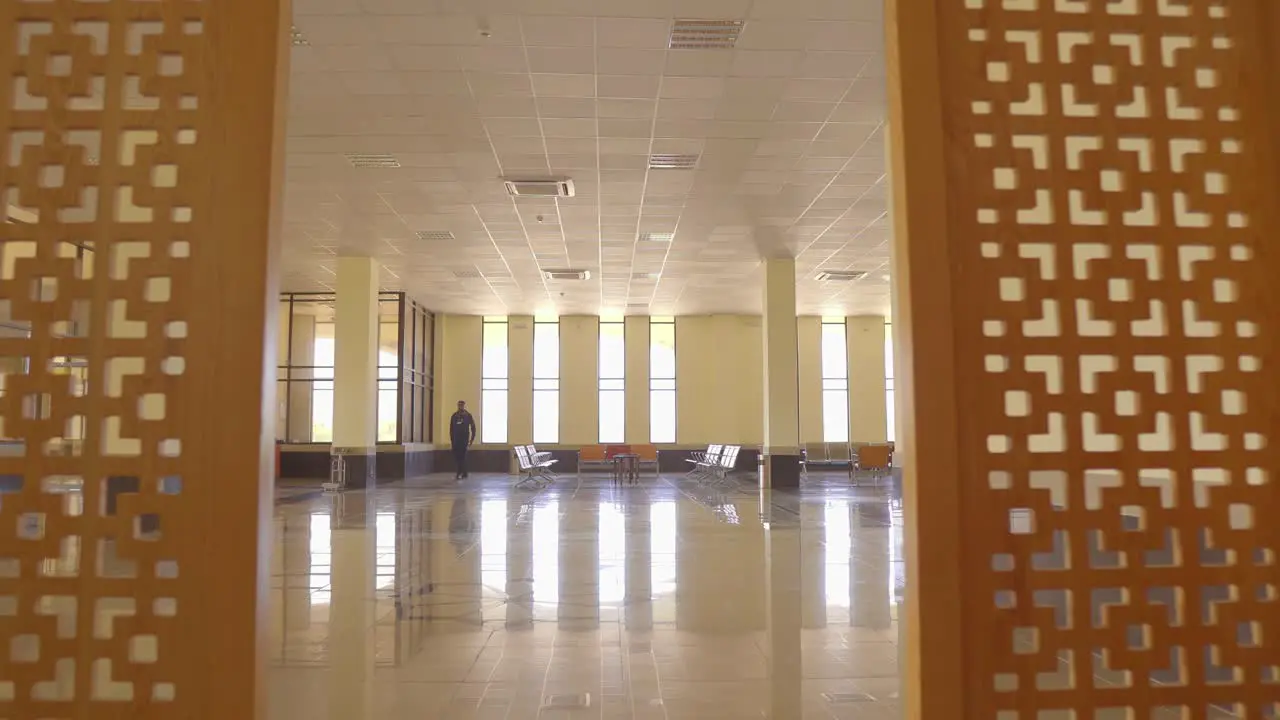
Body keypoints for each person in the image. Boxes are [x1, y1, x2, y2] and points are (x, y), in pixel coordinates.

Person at [449, 400, 477, 479]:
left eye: (462, 405)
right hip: (456, 440)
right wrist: (452, 440)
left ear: (464, 406)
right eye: (459, 405)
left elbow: (473, 428)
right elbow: (451, 429)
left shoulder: (468, 415)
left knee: (462, 456)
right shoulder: (454, 416)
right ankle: (464, 472)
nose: (460, 406)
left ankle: (459, 472)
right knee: (457, 457)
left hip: (464, 440)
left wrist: (471, 440)